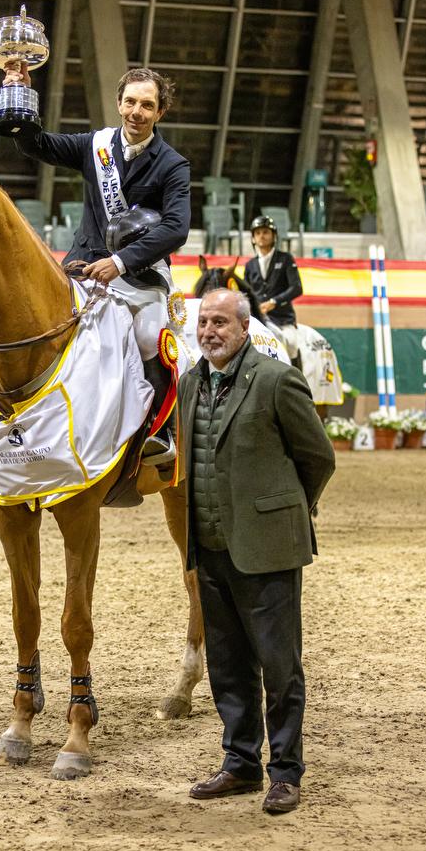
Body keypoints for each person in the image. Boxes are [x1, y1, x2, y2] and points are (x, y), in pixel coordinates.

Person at [178, 288, 334, 814]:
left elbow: (318, 457)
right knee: (227, 664)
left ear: (244, 328)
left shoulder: (275, 379)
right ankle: (240, 763)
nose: (209, 332)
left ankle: (286, 772)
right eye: (203, 322)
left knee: (279, 665)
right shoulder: (189, 383)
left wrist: (285, 510)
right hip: (211, 546)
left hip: (267, 547)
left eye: (220, 322)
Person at [2, 63, 191, 463]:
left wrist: (120, 262)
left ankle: (161, 430)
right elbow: (38, 145)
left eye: (147, 105)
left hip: (140, 275)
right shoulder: (96, 146)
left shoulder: (173, 165)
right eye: (130, 102)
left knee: (148, 337)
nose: (136, 112)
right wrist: (20, 96)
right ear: (119, 102)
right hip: (82, 265)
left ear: (160, 112)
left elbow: (176, 228)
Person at [243, 215, 303, 363]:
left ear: (273, 235)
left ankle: (296, 380)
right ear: (253, 238)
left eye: (265, 232)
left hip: (282, 318)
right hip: (258, 318)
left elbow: (296, 287)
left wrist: (274, 302)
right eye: (257, 233)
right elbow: (246, 293)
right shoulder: (250, 265)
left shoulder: (286, 259)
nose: (261, 236)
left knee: (292, 344)